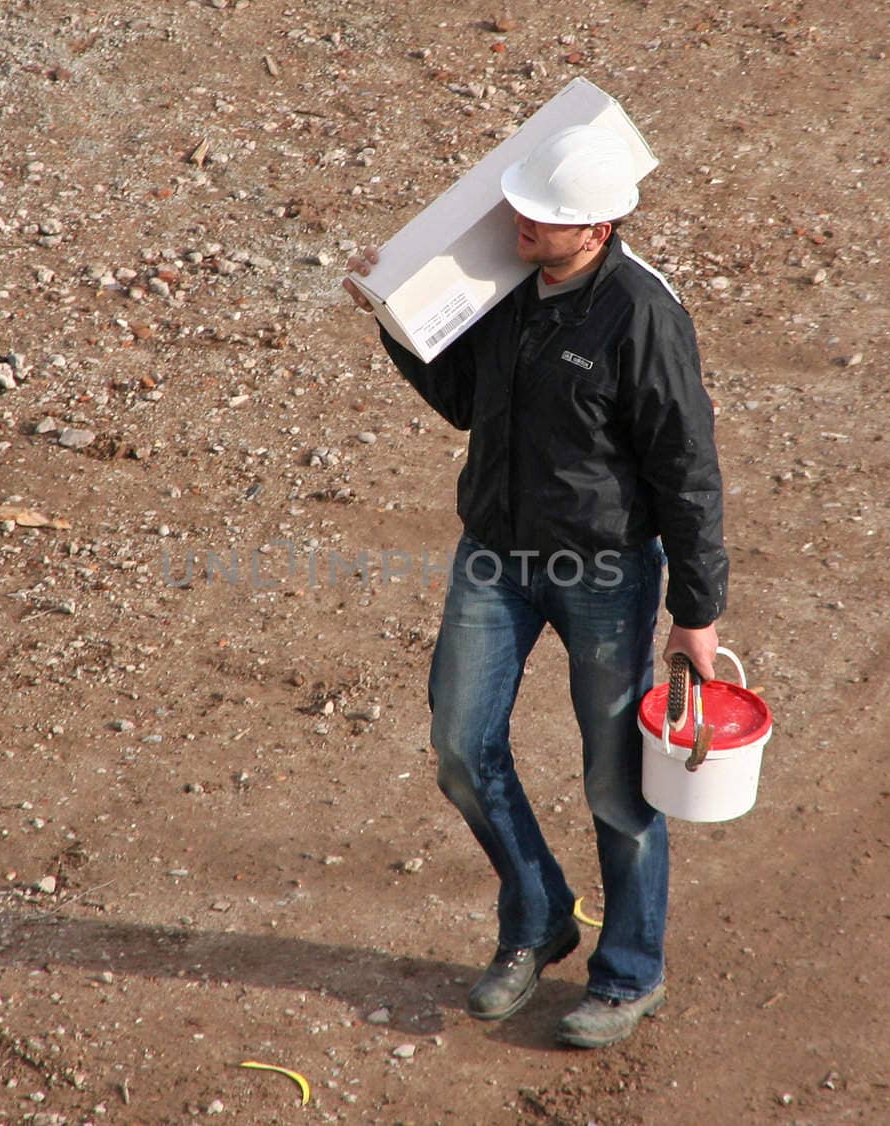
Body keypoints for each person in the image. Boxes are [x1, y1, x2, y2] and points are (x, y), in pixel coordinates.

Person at [342, 124, 729, 1049]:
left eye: (541, 216)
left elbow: (687, 468)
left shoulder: (643, 317)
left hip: (605, 572)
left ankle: (630, 973)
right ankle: (538, 914)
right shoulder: (515, 293)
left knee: (615, 784)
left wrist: (697, 615)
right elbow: (466, 403)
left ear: (594, 229)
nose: (518, 220)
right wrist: (388, 319)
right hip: (496, 558)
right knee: (459, 750)